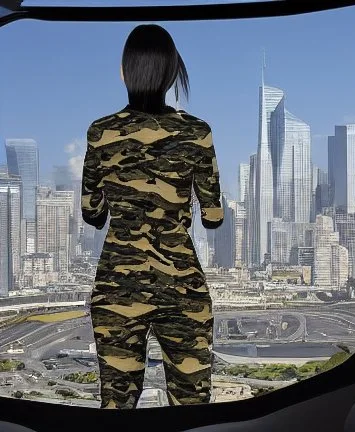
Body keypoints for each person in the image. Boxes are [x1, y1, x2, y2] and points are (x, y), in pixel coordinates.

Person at [81, 23, 223, 409]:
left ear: (124, 71)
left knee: (117, 405)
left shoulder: (101, 133)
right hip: (181, 286)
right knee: (193, 407)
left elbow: (91, 213)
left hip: (116, 287)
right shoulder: (197, 132)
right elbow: (213, 216)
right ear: (174, 71)